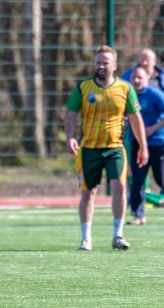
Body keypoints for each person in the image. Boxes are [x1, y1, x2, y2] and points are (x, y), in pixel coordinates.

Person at [65, 45, 147, 251]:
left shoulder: (125, 88)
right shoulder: (83, 88)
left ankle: (118, 235)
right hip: (89, 149)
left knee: (120, 186)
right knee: (88, 193)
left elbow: (136, 119)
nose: (101, 66)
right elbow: (70, 114)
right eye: (98, 62)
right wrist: (70, 137)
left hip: (115, 148)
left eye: (105, 63)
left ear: (114, 65)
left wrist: (142, 146)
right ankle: (86, 238)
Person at [127, 65, 164, 225]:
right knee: (137, 180)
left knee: (160, 178)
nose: (136, 80)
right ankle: (138, 215)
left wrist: (152, 129)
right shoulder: (128, 95)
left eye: (140, 77)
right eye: (134, 77)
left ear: (147, 79)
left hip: (156, 143)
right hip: (137, 144)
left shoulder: (155, 95)